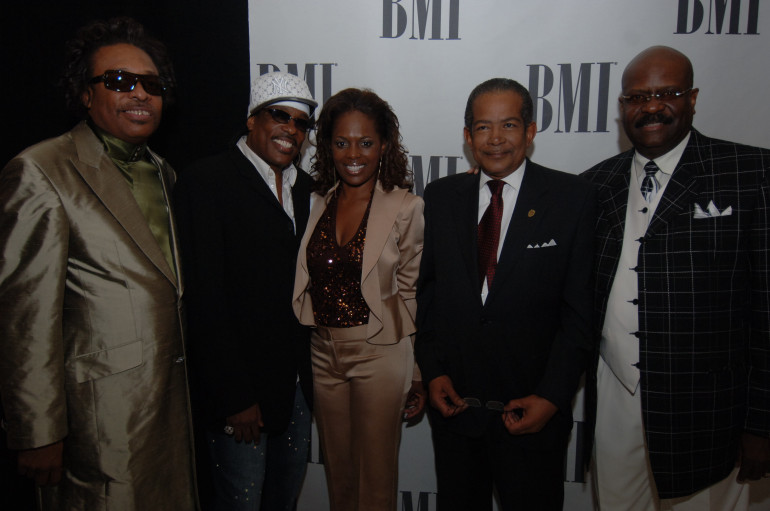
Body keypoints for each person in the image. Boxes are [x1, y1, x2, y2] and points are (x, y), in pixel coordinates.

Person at [0, 17, 197, 509]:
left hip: (171, 408)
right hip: (98, 423)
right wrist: (37, 430)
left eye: (152, 84)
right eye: (120, 80)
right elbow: (25, 318)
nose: (140, 93)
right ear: (85, 94)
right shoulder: (43, 170)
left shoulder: (165, 173)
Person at [583, 45, 770, 510]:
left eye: (666, 93)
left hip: (711, 410)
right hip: (615, 395)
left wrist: (762, 423)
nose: (651, 107)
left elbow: (768, 309)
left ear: (693, 98)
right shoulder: (593, 185)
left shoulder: (752, 172)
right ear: (622, 106)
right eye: (636, 97)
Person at [414, 78, 595, 511]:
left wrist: (552, 397)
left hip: (532, 415)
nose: (495, 138)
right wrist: (433, 372)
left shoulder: (573, 198)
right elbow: (428, 294)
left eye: (509, 125)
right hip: (456, 412)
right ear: (467, 135)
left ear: (530, 131)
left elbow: (581, 313)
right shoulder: (440, 196)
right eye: (483, 127)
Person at [173, 71, 315, 511]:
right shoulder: (206, 181)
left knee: (283, 501)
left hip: (297, 390)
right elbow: (203, 298)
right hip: (240, 395)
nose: (290, 129)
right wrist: (234, 396)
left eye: (301, 123)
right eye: (279, 116)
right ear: (252, 120)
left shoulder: (309, 190)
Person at [292, 88, 426, 511]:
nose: (353, 154)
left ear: (383, 145)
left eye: (365, 142)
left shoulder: (405, 207)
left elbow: (410, 292)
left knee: (375, 478)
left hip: (379, 352)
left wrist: (416, 370)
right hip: (322, 352)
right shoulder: (316, 201)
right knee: (339, 473)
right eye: (342, 142)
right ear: (327, 147)